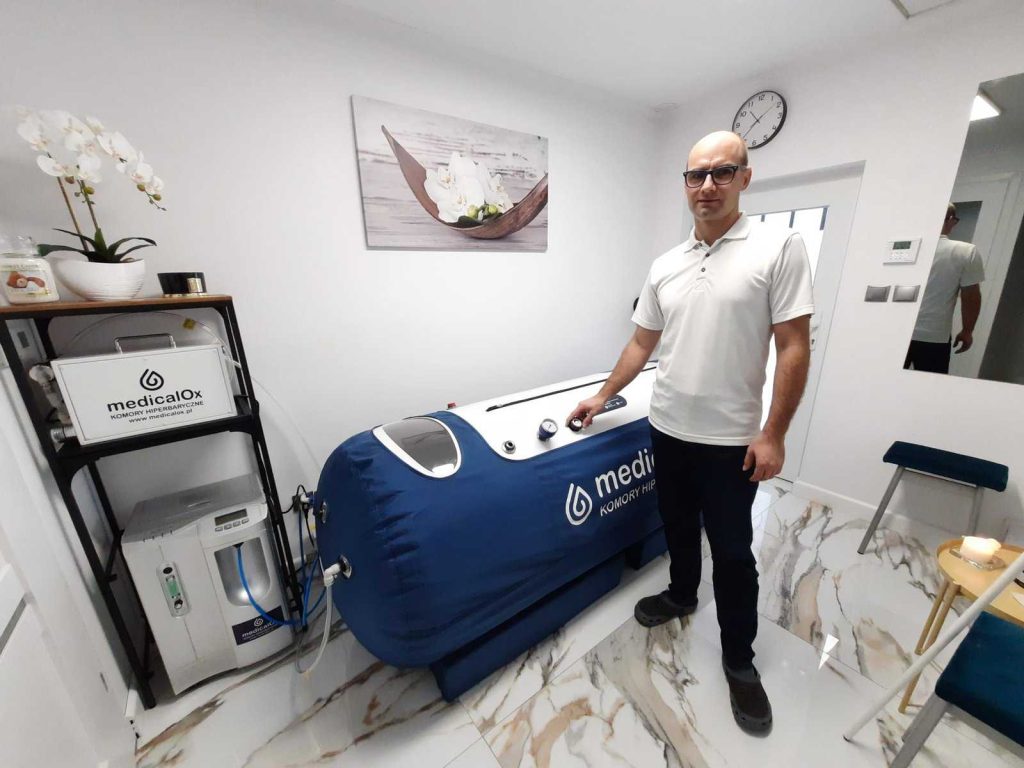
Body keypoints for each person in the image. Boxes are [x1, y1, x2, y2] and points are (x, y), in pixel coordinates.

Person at [566, 131, 814, 734]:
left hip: (731, 441)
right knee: (676, 524)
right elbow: (641, 342)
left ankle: (739, 659)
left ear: (745, 178)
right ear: (685, 184)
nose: (707, 185)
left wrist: (774, 433)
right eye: (696, 175)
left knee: (731, 552)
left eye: (722, 172)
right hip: (668, 427)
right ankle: (681, 594)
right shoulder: (666, 264)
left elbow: (793, 346)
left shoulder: (778, 248)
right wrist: (603, 395)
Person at [904, 203, 985, 374]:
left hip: (894, 332)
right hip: (933, 336)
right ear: (951, 220)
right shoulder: (965, 251)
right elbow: (970, 297)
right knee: (929, 387)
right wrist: (967, 331)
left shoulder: (905, 246)